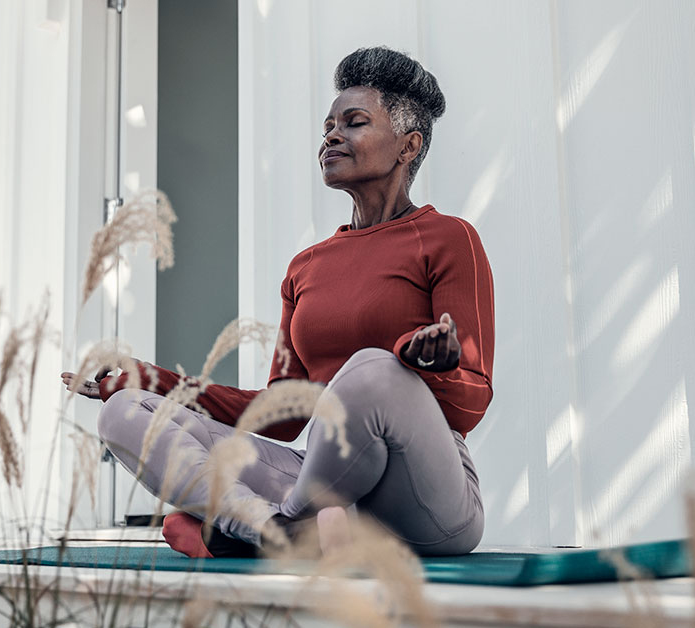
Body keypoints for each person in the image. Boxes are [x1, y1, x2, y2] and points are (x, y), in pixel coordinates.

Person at [61, 46, 494, 558]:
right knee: (124, 412)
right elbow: (283, 413)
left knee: (373, 369)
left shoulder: (448, 238)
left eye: (354, 123)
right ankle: (273, 527)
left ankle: (264, 529)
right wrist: (150, 379)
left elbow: (471, 402)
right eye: (328, 126)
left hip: (427, 503)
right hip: (331, 491)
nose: (331, 136)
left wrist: (430, 367)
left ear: (407, 145)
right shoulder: (307, 266)